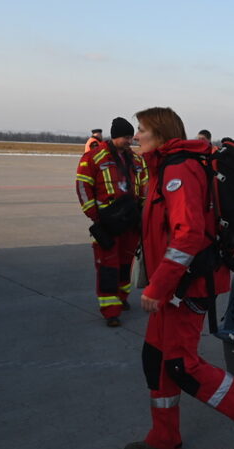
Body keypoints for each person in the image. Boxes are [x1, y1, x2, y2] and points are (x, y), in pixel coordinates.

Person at [125, 106, 234, 449]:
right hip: (172, 285)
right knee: (156, 358)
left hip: (186, 286)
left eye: (141, 129)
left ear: (160, 132)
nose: (136, 136)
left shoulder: (179, 170)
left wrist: (158, 286)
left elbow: (187, 235)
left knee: (181, 364)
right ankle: (164, 437)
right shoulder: (164, 167)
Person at [76, 117, 148, 327]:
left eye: (131, 137)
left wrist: (142, 212)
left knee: (126, 264)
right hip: (107, 222)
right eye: (126, 137)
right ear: (115, 136)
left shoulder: (136, 160)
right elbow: (83, 186)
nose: (130, 141)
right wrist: (94, 216)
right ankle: (110, 311)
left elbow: (145, 185)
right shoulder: (93, 157)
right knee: (108, 266)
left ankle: (122, 298)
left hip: (130, 221)